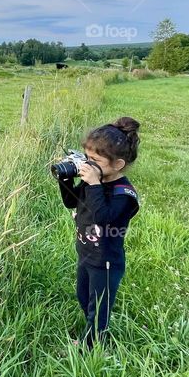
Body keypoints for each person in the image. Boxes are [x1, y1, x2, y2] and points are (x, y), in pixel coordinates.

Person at [56, 117, 141, 348]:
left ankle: (92, 348)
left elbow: (103, 218)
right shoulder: (96, 179)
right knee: (84, 297)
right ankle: (92, 334)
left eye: (95, 160)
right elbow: (71, 202)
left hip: (105, 262)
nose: (88, 165)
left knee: (99, 307)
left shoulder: (124, 194)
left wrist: (93, 184)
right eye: (86, 158)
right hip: (86, 254)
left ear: (118, 164)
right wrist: (64, 178)